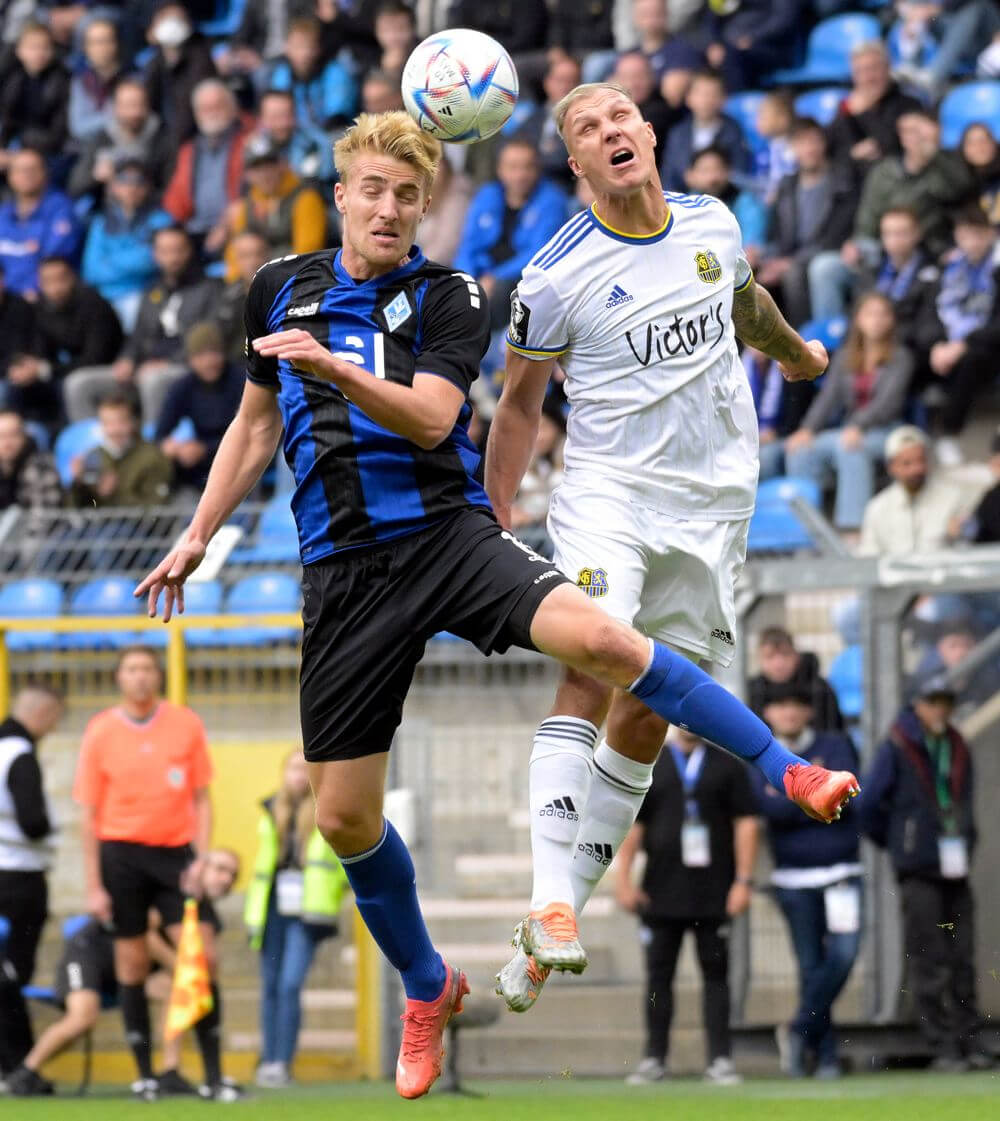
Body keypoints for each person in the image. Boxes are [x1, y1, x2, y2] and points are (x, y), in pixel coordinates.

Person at [135, 109, 858, 1100]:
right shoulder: (279, 286)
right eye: (373, 190)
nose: (388, 208)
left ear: (425, 208)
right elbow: (255, 426)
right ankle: (428, 985)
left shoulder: (453, 294)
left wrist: (335, 367)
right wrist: (198, 532)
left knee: (606, 642)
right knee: (342, 818)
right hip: (341, 575)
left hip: (448, 538)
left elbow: (435, 417)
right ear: (341, 195)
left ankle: (787, 766)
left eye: (408, 195)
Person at [485, 81, 856, 1020]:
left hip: (713, 505)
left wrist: (794, 354)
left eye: (620, 117)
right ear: (577, 164)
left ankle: (550, 926)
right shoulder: (553, 277)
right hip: (610, 494)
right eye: (588, 129)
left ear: (649, 135)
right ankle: (550, 896)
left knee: (648, 714)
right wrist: (493, 517)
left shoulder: (712, 223)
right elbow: (521, 404)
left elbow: (745, 302)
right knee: (592, 657)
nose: (610, 132)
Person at [72, 645, 239, 1101]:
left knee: (201, 956)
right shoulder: (101, 730)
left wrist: (200, 858)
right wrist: (93, 884)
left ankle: (213, 1075)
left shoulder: (185, 724)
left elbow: (202, 798)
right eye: (132, 669)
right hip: (121, 855)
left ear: (159, 675)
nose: (141, 676)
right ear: (119, 677)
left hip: (176, 856)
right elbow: (88, 814)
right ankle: (146, 1074)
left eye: (147, 668)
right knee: (132, 963)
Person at [4, 850, 241, 1098]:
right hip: (89, 957)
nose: (226, 879)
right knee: (83, 1016)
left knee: (178, 991)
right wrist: (183, 969)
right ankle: (25, 1072)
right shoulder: (170, 895)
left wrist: (185, 975)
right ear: (198, 867)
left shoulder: (206, 916)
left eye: (233, 875)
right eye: (220, 869)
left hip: (131, 975)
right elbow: (146, 935)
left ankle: (170, 1071)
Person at [860, 679, 993, 1071]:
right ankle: (942, 1044)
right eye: (933, 702)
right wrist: (902, 843)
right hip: (918, 870)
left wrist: (966, 838)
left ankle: (969, 1041)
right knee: (929, 956)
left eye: (946, 702)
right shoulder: (897, 745)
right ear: (917, 705)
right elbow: (867, 805)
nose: (940, 710)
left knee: (962, 955)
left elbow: (964, 800)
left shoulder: (956, 745)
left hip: (955, 865)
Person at [616, 729, 758, 1086]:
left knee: (716, 976)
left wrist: (743, 881)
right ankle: (654, 1058)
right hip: (660, 892)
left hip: (715, 891)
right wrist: (623, 880)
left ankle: (720, 1059)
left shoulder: (727, 765)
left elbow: (746, 823)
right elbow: (634, 825)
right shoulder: (651, 763)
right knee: (658, 978)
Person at [752, 686, 862, 1079]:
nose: (789, 712)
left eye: (796, 704)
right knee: (810, 966)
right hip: (793, 879)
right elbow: (766, 808)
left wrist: (792, 799)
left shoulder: (835, 746)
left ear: (809, 711)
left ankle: (798, 1029)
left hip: (841, 872)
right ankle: (826, 1056)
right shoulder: (761, 752)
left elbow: (847, 797)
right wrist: (815, 798)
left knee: (844, 955)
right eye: (780, 704)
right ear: (769, 711)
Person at [246, 750, 349, 1089]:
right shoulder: (270, 809)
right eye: (293, 768)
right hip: (272, 907)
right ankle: (268, 1059)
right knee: (270, 986)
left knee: (290, 984)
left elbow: (340, 863)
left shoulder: (326, 810)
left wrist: (334, 893)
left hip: (307, 910)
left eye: (304, 769)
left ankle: (282, 1062)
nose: (298, 775)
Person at [65, 226, 223, 424]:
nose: (173, 258)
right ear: (155, 255)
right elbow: (137, 335)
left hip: (184, 367)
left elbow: (210, 339)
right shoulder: (152, 291)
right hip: (143, 367)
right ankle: (94, 442)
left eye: (178, 250)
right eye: (165, 251)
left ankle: (152, 440)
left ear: (189, 251)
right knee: (79, 384)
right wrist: (127, 359)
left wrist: (169, 363)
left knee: (153, 380)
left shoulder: (210, 289)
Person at [783, 292, 913, 531]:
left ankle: (852, 529)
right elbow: (828, 398)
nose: (876, 320)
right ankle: (805, 530)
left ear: (892, 320)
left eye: (883, 314)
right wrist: (808, 429)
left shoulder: (901, 357)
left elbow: (888, 404)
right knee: (800, 449)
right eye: (870, 314)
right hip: (849, 429)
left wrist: (857, 426)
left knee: (850, 449)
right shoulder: (845, 356)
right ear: (859, 319)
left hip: (885, 430)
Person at [0, 686, 65, 1078]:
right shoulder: (20, 755)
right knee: (12, 974)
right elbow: (33, 822)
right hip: (18, 879)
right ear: (45, 713)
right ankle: (16, 1066)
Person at [454, 139, 568, 331]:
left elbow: (538, 254)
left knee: (498, 294)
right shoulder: (487, 194)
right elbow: (467, 246)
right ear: (500, 170)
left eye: (528, 167)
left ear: (538, 169)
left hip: (519, 281)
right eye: (513, 167)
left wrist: (494, 277)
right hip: (482, 275)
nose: (520, 175)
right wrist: (467, 280)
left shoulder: (552, 200)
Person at [757, 118, 856, 328]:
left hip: (826, 253)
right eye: (802, 142)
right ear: (792, 148)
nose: (809, 149)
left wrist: (790, 262)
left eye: (814, 141)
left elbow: (836, 235)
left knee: (794, 273)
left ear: (824, 144)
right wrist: (770, 259)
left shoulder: (843, 181)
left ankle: (805, 339)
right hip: (791, 257)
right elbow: (776, 233)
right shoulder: (786, 185)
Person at [929, 205, 1000, 465]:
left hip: (987, 344)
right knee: (915, 350)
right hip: (949, 339)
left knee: (973, 358)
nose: (971, 242)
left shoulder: (997, 267)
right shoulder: (949, 266)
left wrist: (963, 344)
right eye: (964, 235)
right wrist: (937, 343)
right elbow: (931, 310)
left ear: (991, 233)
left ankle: (949, 431)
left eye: (977, 234)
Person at [81, 158, 174, 333]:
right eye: (124, 181)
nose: (132, 188)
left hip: (142, 293)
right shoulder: (101, 223)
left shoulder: (161, 220)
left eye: (139, 182)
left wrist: (110, 260)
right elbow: (91, 270)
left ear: (148, 187)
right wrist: (131, 260)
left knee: (137, 310)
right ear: (114, 187)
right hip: (104, 296)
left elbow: (150, 261)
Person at [162, 79, 253, 258]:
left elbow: (254, 195)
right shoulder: (188, 150)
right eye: (205, 108)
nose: (212, 113)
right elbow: (175, 200)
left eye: (218, 106)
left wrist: (226, 224)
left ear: (233, 108)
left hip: (236, 229)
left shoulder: (248, 142)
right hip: (194, 231)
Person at [222, 133, 328, 284]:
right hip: (254, 282)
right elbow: (235, 253)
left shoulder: (306, 198)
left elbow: (307, 252)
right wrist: (235, 284)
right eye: (257, 168)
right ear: (247, 174)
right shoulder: (247, 205)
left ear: (282, 164)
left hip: (296, 281)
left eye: (270, 165)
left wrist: (269, 277)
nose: (264, 174)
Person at [857, 206, 943, 382]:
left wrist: (885, 336)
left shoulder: (932, 274)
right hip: (868, 346)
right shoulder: (872, 271)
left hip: (908, 353)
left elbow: (928, 328)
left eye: (901, 233)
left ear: (917, 234)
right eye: (888, 233)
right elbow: (856, 313)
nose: (894, 240)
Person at [155, 323, 243, 492]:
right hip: (198, 465)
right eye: (201, 356)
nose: (209, 362)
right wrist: (174, 448)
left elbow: (251, 433)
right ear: (191, 359)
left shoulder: (241, 381)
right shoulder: (184, 386)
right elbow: (161, 434)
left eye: (214, 353)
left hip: (238, 457)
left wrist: (204, 449)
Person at [859, 426, 970, 556]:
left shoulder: (952, 499)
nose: (917, 469)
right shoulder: (877, 508)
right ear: (891, 467)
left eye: (921, 460)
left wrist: (957, 536)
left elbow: (967, 551)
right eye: (907, 463)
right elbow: (869, 557)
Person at [68, 77, 173, 207]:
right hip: (107, 210)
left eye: (139, 104)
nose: (134, 112)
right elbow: (75, 186)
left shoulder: (162, 138)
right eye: (128, 106)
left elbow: (170, 187)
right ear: (116, 108)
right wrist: (95, 176)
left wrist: (141, 189)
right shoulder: (102, 139)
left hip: (151, 208)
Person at [827, 40, 922, 183]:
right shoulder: (847, 108)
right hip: (853, 184)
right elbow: (830, 148)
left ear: (888, 68)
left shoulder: (908, 105)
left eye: (874, 68)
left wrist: (864, 112)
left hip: (895, 183)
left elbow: (891, 147)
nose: (868, 78)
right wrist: (852, 153)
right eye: (860, 71)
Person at [0, 149, 82, 300]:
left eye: (32, 170)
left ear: (45, 173)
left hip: (44, 299)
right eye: (20, 170)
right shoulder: (3, 214)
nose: (27, 175)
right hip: (7, 299)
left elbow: (56, 260)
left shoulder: (61, 209)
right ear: (10, 176)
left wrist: (31, 290)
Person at [69, 393, 172, 508]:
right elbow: (80, 508)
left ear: (133, 423)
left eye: (121, 422)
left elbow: (157, 507)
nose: (115, 430)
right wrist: (78, 484)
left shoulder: (153, 457)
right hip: (100, 520)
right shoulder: (93, 456)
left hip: (135, 520)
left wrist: (114, 494)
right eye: (108, 423)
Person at [141, 3, 217, 152]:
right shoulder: (154, 63)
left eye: (177, 19)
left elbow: (190, 111)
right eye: (166, 19)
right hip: (160, 139)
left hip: (192, 138)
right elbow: (148, 104)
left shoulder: (201, 59)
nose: (171, 24)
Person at [660, 70, 748, 192]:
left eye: (713, 94)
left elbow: (740, 173)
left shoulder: (733, 132)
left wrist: (713, 179)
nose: (707, 100)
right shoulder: (677, 134)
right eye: (701, 94)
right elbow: (668, 176)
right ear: (688, 98)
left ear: (724, 99)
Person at [265, 17, 357, 133]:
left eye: (308, 47)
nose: (304, 54)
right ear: (287, 48)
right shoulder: (282, 75)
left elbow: (338, 116)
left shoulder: (335, 72)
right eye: (298, 46)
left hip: (331, 132)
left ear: (318, 49)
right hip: (294, 134)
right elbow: (278, 112)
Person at [682, 145, 767, 269]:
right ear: (690, 176)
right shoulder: (683, 207)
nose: (712, 178)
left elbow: (751, 249)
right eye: (705, 171)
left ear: (729, 171)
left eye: (718, 169)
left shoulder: (745, 201)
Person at [748, 627, 844, 733]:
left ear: (796, 655)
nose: (779, 664)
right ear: (759, 659)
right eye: (770, 656)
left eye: (785, 654)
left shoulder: (819, 689)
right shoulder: (752, 691)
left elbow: (835, 731)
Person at [0, 22, 69, 159]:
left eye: (45, 47)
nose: (39, 53)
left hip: (47, 151)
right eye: (32, 47)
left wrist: (17, 153)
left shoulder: (62, 80)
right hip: (12, 148)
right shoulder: (11, 78)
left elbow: (58, 134)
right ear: (19, 50)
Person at [256, 88, 337, 190]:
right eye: (275, 117)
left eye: (287, 116)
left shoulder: (315, 145)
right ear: (262, 119)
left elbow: (317, 187)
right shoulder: (256, 150)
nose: (282, 124)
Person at [218, 231, 271, 364]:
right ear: (236, 260)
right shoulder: (227, 296)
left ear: (268, 256)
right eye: (245, 256)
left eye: (258, 254)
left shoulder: (283, 293)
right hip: (234, 366)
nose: (253, 262)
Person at [68, 17, 123, 144]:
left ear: (116, 44)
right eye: (95, 42)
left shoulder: (131, 79)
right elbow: (78, 128)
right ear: (86, 48)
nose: (101, 47)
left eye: (106, 41)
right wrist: (114, 117)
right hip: (89, 148)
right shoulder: (80, 81)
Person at [0, 411, 62, 520]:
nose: (7, 443)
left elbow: (42, 517)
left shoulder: (41, 467)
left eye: (13, 435)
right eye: (2, 436)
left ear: (25, 437)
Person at [960, 122, 1000, 227]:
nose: (979, 146)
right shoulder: (957, 185)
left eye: (984, 140)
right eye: (972, 142)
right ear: (963, 148)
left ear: (994, 143)